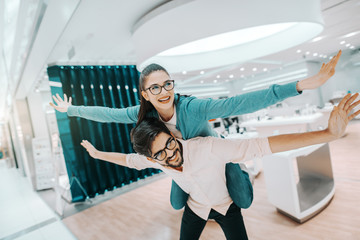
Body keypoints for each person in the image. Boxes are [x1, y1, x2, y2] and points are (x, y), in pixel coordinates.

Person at [50, 50, 342, 210]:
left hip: (214, 156)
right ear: (145, 94)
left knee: (244, 200)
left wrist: (300, 86)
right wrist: (71, 110)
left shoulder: (193, 108)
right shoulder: (143, 115)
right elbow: (108, 115)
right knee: (178, 204)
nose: (163, 91)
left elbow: (239, 103)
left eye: (168, 84)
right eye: (155, 87)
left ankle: (236, 171)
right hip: (181, 166)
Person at [81, 93, 360, 240]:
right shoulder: (155, 160)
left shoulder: (206, 147)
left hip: (228, 207)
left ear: (173, 136)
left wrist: (328, 134)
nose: (171, 153)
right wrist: (96, 154)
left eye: (170, 144)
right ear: (153, 159)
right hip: (196, 208)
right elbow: (128, 160)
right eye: (162, 154)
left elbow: (264, 145)